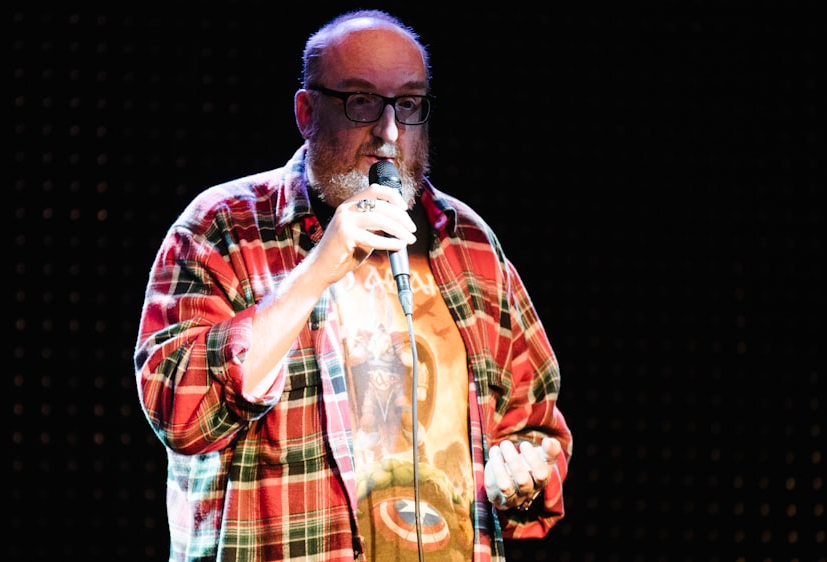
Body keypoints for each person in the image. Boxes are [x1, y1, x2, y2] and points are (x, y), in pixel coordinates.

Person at [134, 9, 573, 561]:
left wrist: (525, 471)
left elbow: (536, 427)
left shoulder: (468, 243)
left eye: (408, 104)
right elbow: (180, 412)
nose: (389, 131)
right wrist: (319, 267)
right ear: (306, 111)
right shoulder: (222, 228)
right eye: (361, 101)